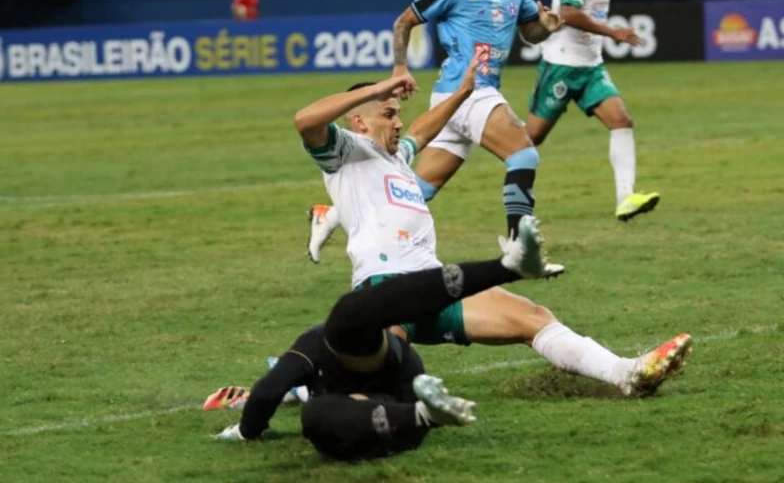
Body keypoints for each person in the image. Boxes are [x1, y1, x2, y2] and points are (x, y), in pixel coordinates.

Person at [207, 60, 691, 420]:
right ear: (360, 119)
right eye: (388, 114)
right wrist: (376, 88)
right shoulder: (345, 153)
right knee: (367, 386)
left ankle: (627, 375)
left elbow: (422, 128)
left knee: (532, 318)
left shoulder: (395, 158)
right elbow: (304, 121)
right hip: (383, 293)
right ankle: (278, 390)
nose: (398, 121)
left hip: (433, 287)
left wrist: (462, 92)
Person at [214, 214, 556, 461]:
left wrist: (246, 431)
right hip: (402, 415)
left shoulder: (315, 349)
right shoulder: (325, 391)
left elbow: (268, 392)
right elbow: (271, 392)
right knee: (319, 411)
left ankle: (509, 267)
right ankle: (507, 268)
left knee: (345, 333)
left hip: (398, 398)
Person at [389, 0, 565, 242]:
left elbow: (530, 33)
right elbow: (403, 21)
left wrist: (546, 27)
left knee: (418, 190)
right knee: (524, 155)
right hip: (467, 90)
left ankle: (334, 216)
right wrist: (400, 69)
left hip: (460, 96)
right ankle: (520, 247)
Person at [525, 0, 658, 221]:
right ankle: (518, 203)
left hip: (590, 66)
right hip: (561, 65)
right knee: (529, 139)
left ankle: (625, 199)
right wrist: (613, 32)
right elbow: (568, 13)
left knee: (621, 121)